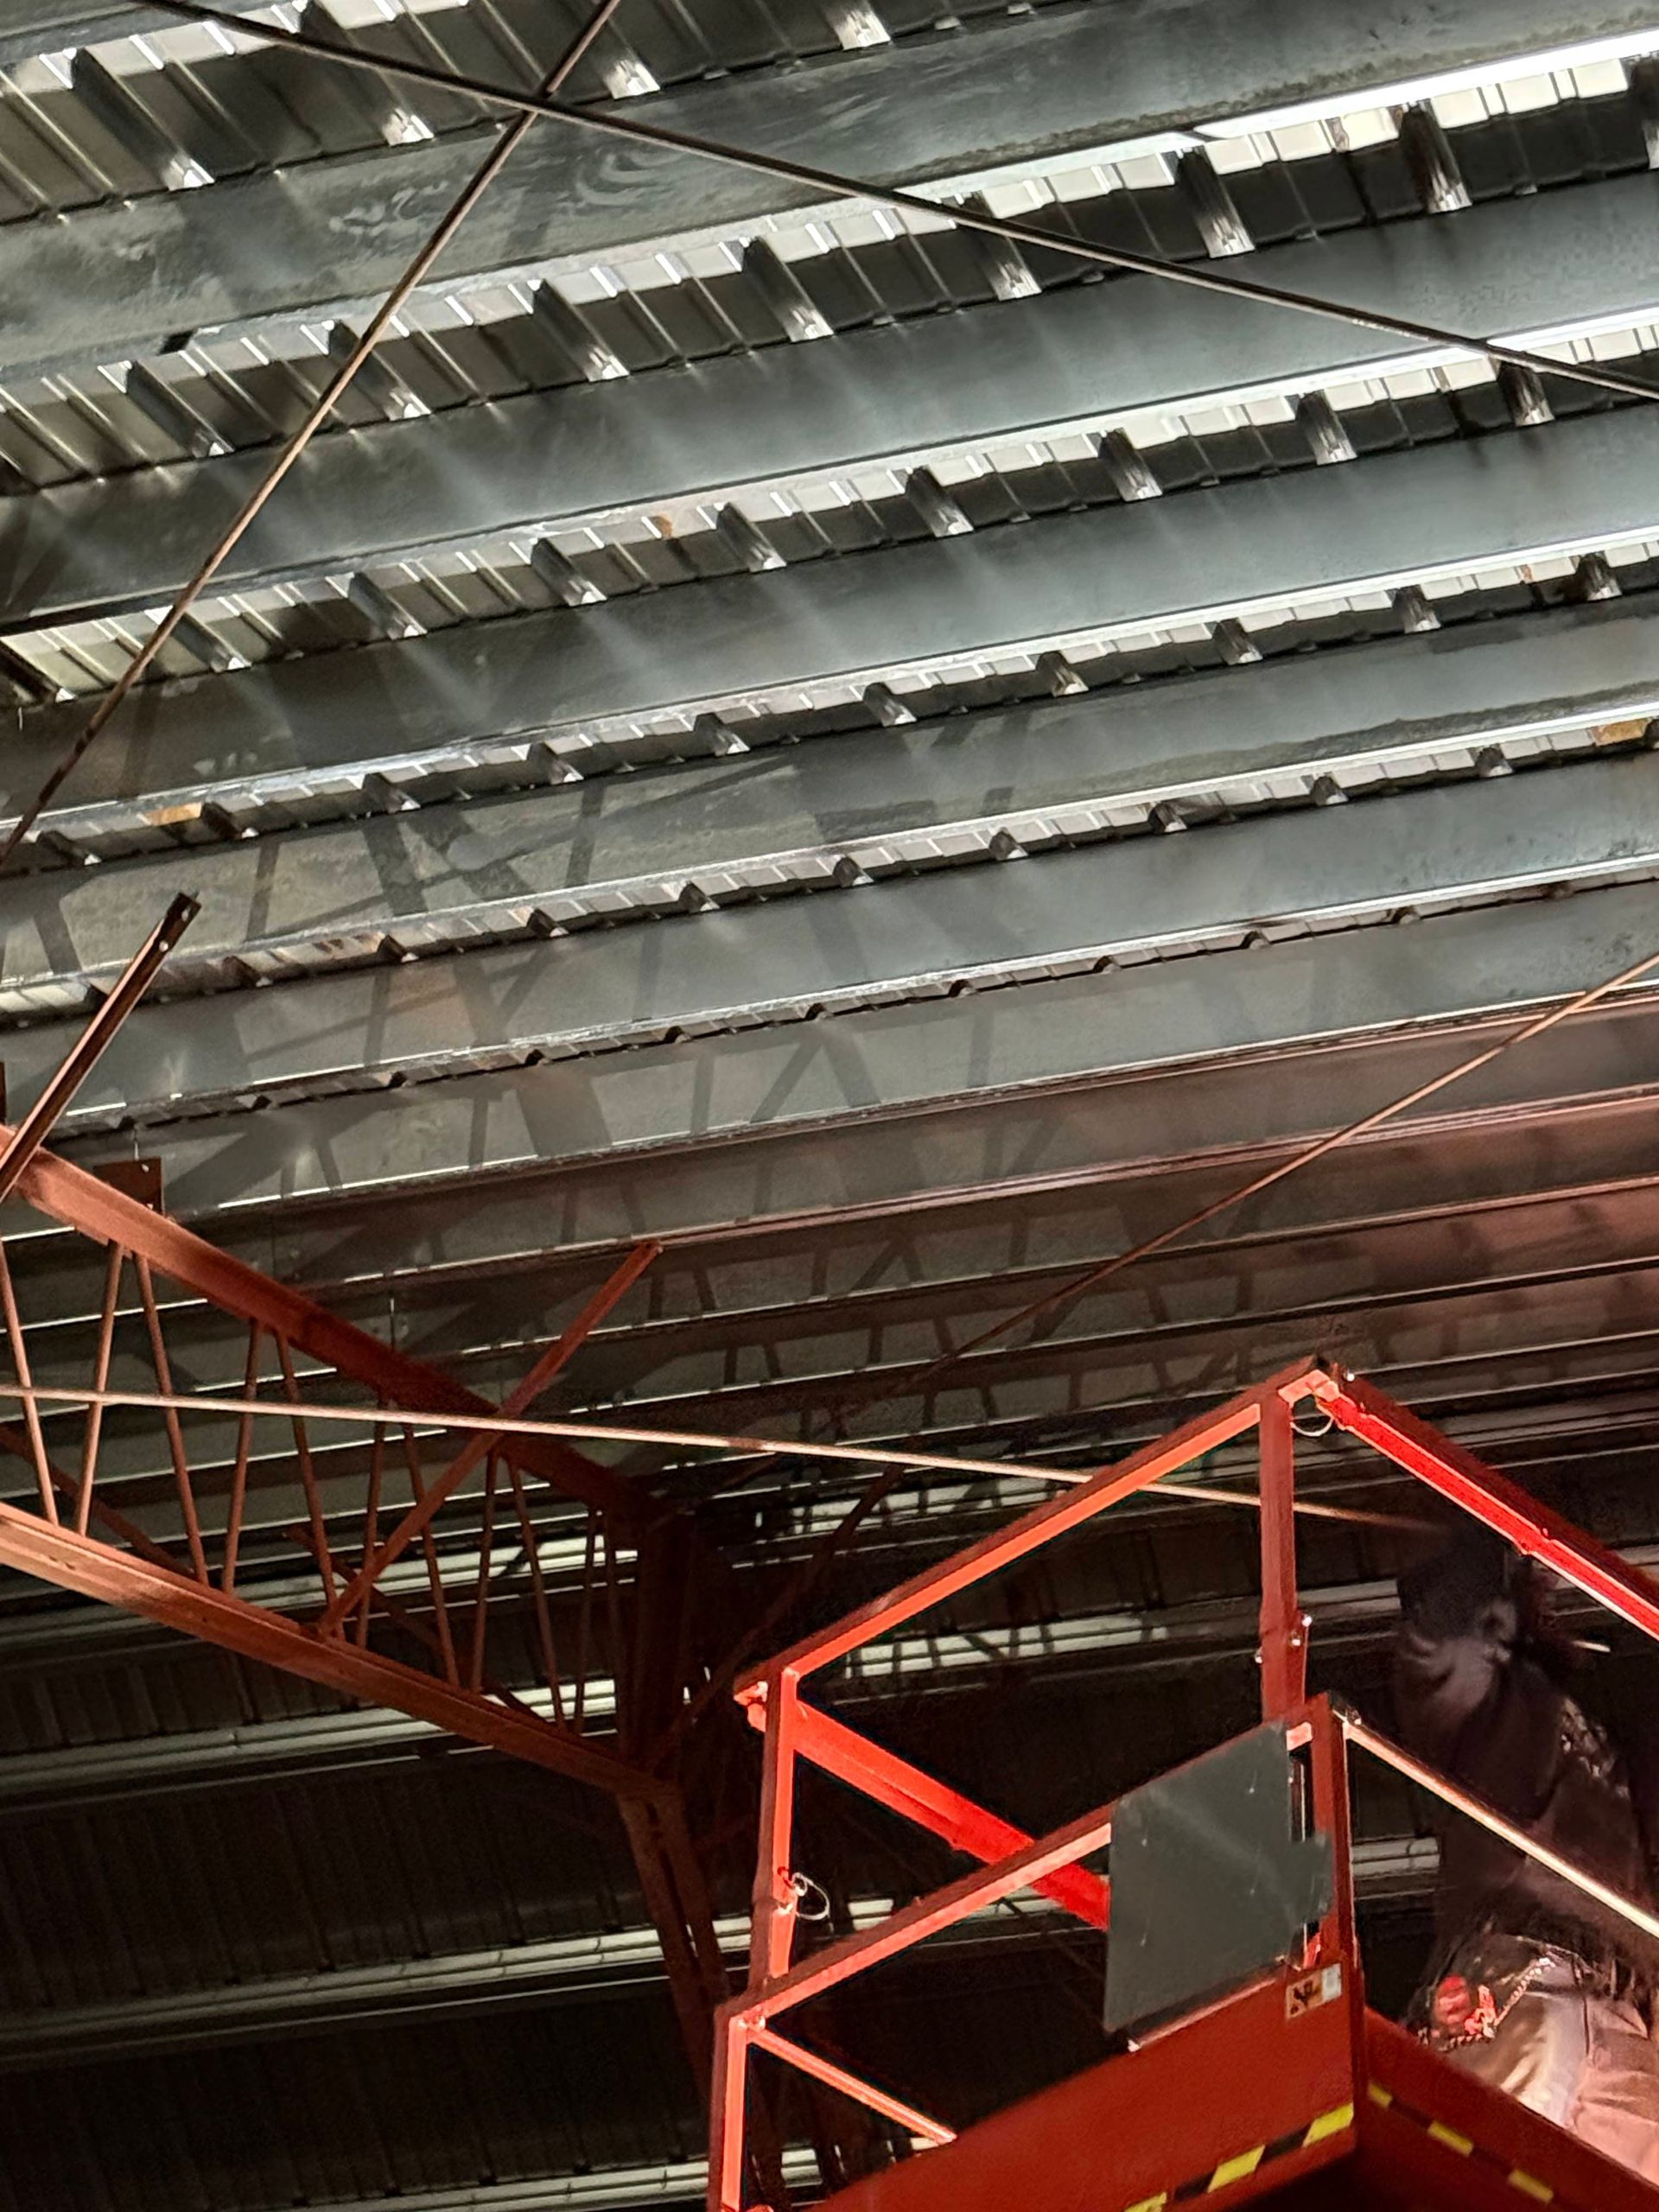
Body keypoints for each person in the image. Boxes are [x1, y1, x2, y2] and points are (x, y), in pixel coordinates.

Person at [1394, 1524, 1659, 2180]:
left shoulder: (1598, 1729)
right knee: (1488, 2183)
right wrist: (1494, 1539)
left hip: (1622, 2009)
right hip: (1519, 1979)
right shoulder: (1472, 1709)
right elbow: (1444, 1633)